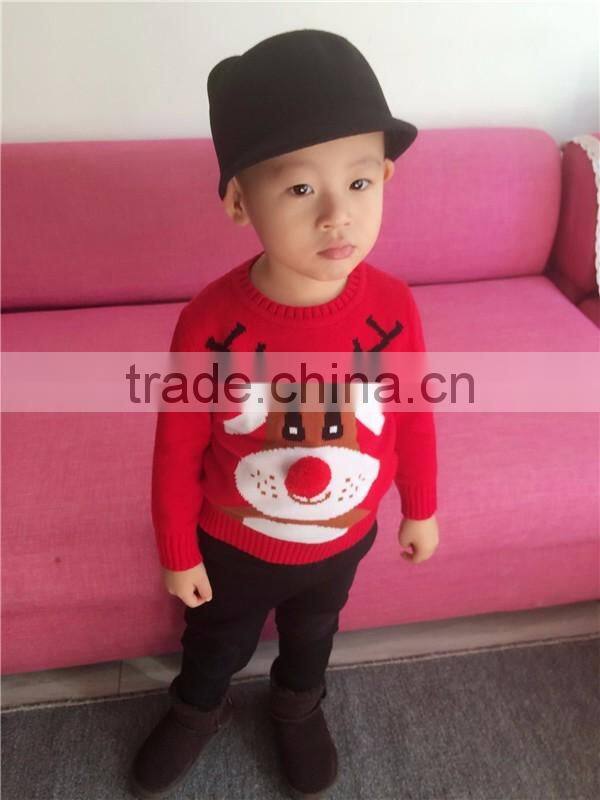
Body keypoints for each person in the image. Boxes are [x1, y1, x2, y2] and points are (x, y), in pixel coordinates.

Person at [130, 28, 440, 800]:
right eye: (301, 189)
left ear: (386, 176)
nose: (338, 215)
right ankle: (197, 709)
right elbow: (176, 447)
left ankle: (298, 705)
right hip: (233, 543)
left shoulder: (395, 308)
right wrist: (178, 550)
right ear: (240, 201)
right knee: (216, 640)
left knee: (314, 633)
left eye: (359, 182)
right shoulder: (210, 322)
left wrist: (421, 507)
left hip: (343, 538)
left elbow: (411, 416)